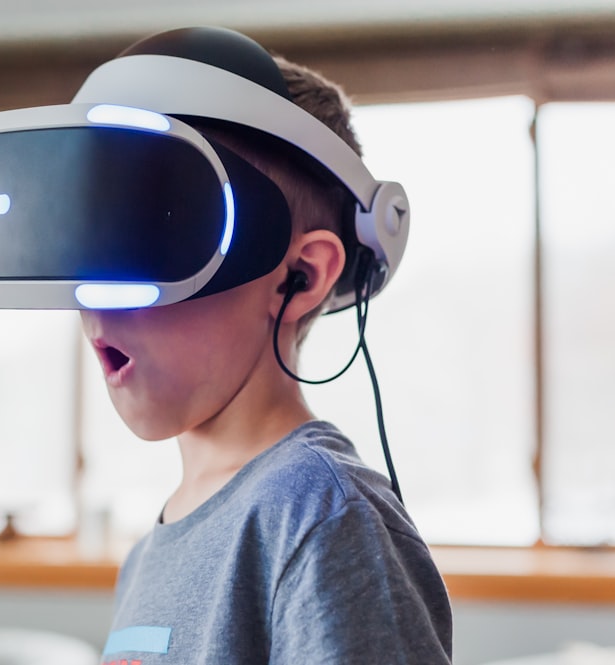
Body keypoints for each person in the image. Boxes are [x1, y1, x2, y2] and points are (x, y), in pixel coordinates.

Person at [79, 28, 453, 664]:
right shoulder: (147, 556)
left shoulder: (319, 516)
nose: (98, 297)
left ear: (301, 276)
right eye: (93, 241)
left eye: (153, 238)